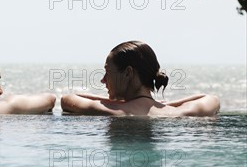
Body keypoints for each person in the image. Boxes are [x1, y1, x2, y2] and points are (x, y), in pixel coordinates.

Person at [61, 41, 220, 116]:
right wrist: (158, 104)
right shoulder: (177, 113)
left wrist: (119, 103)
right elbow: (211, 99)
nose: (103, 80)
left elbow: (67, 100)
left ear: (128, 73)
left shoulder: (112, 111)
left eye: (107, 72)